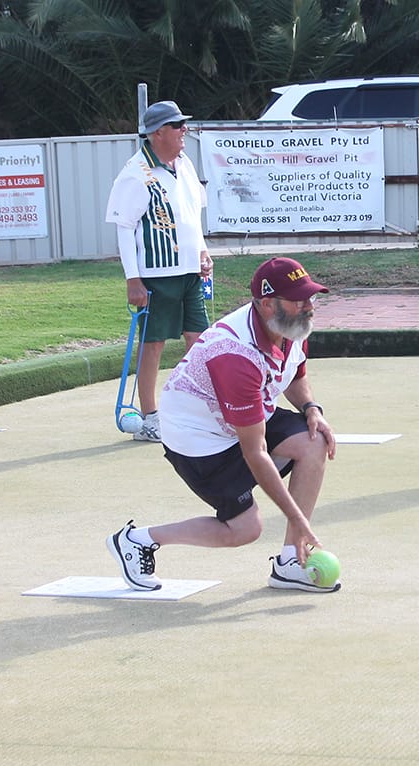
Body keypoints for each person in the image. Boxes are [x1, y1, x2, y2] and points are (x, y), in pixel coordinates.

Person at [107, 256, 341, 593]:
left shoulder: (292, 325)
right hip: (198, 440)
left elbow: (294, 375)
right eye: (298, 300)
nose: (308, 306)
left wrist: (310, 408)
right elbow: (255, 452)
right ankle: (137, 540)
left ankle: (290, 563)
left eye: (310, 297)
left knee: (313, 439)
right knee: (245, 529)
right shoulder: (235, 355)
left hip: (237, 418)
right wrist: (298, 519)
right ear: (266, 304)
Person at [105, 99, 214, 442]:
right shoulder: (136, 173)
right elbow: (124, 227)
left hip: (189, 272)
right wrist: (132, 279)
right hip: (157, 273)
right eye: (177, 125)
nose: (184, 131)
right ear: (157, 133)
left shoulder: (184, 164)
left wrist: (203, 253)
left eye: (183, 124)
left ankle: (195, 408)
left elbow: (192, 215)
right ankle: (151, 416)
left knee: (199, 340)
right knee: (153, 343)